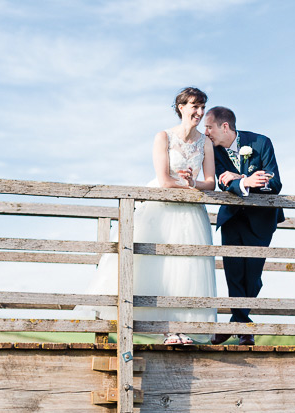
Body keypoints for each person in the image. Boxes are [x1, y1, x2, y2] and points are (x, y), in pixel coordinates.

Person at [76, 87, 217, 345]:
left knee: (186, 268)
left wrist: (194, 184)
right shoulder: (163, 137)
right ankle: (159, 329)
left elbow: (211, 183)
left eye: (202, 107)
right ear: (181, 108)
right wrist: (184, 185)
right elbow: (164, 180)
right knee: (156, 266)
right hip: (160, 207)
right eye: (194, 106)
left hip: (190, 211)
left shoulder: (205, 142)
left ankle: (180, 327)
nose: (199, 112)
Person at [204, 106, 284, 346]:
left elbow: (275, 183)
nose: (205, 132)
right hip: (232, 217)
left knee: (253, 276)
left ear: (224, 126)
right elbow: (223, 183)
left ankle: (236, 322)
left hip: (261, 218)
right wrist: (243, 181)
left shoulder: (260, 142)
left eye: (209, 127)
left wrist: (242, 180)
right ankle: (244, 329)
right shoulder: (213, 150)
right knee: (234, 273)